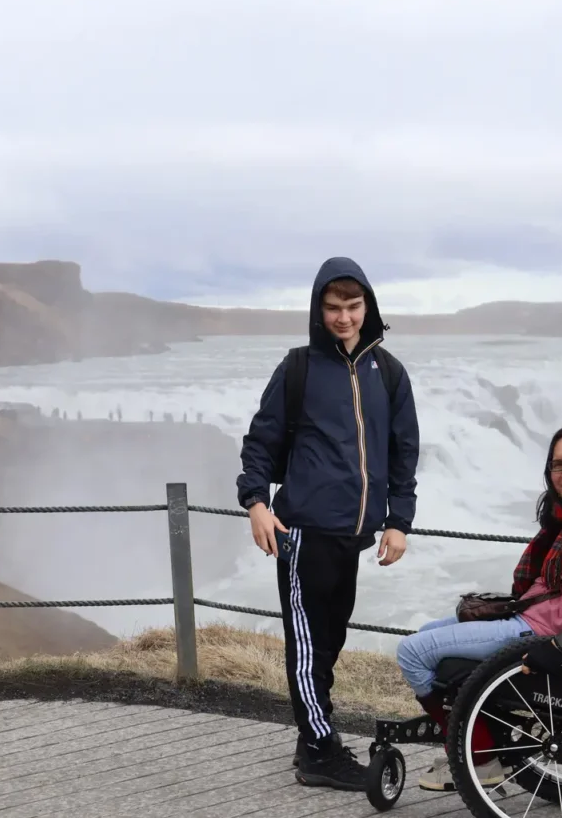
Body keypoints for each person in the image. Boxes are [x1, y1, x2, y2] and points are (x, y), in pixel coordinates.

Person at [237, 256, 420, 792]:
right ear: (319, 309)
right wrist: (255, 503)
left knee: (331, 639)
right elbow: (261, 444)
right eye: (333, 307)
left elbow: (402, 453)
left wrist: (398, 522)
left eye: (353, 306)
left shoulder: (388, 373)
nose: (343, 317)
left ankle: (311, 736)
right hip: (302, 533)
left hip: (355, 535)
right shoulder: (298, 368)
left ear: (368, 308)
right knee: (308, 645)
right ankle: (319, 749)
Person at [395, 421, 562, 792]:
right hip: (536, 615)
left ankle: (479, 757)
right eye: (558, 464)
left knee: (412, 653)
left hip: (541, 630)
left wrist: (560, 644)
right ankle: (476, 729)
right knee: (428, 635)